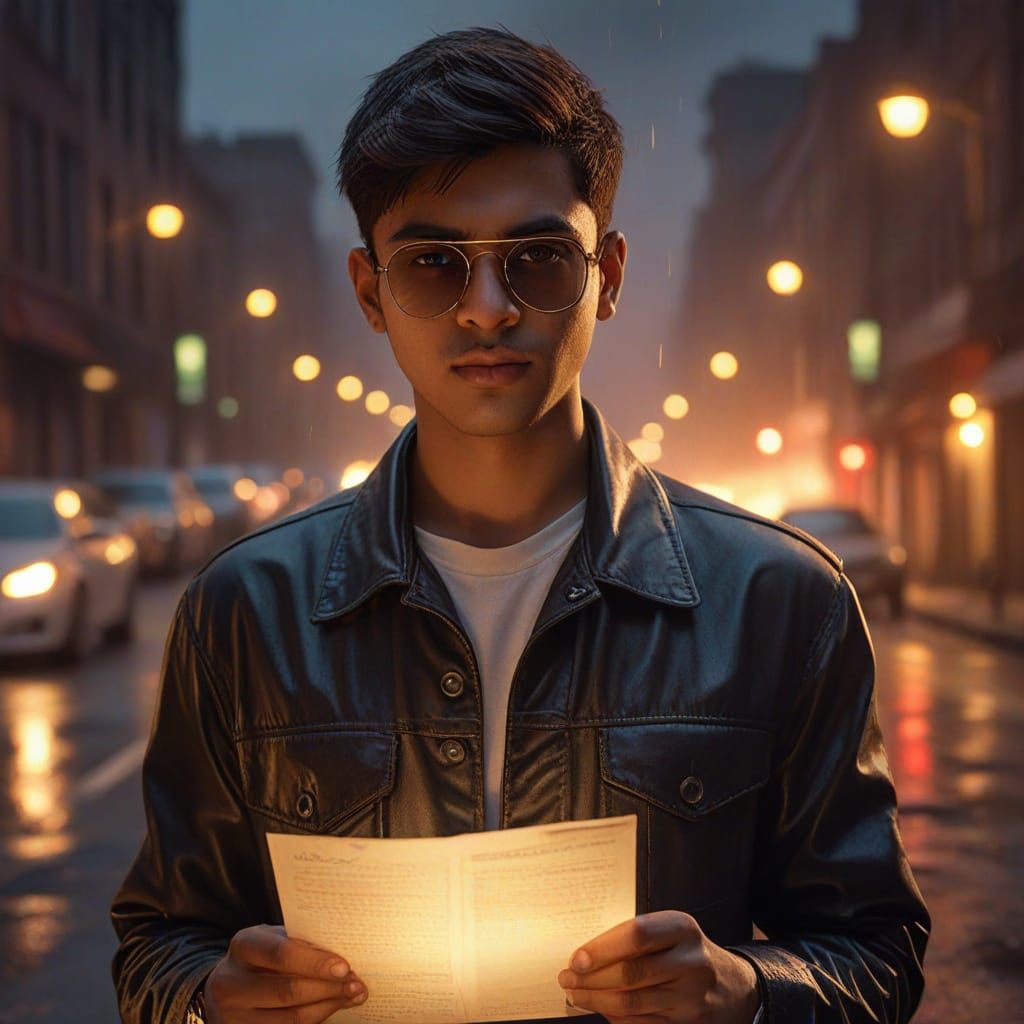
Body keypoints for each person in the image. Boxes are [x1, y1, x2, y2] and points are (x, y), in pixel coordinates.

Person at [111, 26, 929, 1024]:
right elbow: (160, 940)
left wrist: (745, 991)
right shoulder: (244, 609)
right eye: (433, 265)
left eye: (537, 258)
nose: (487, 309)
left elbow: (877, 952)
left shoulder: (780, 600)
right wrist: (207, 1001)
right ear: (371, 291)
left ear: (608, 274)